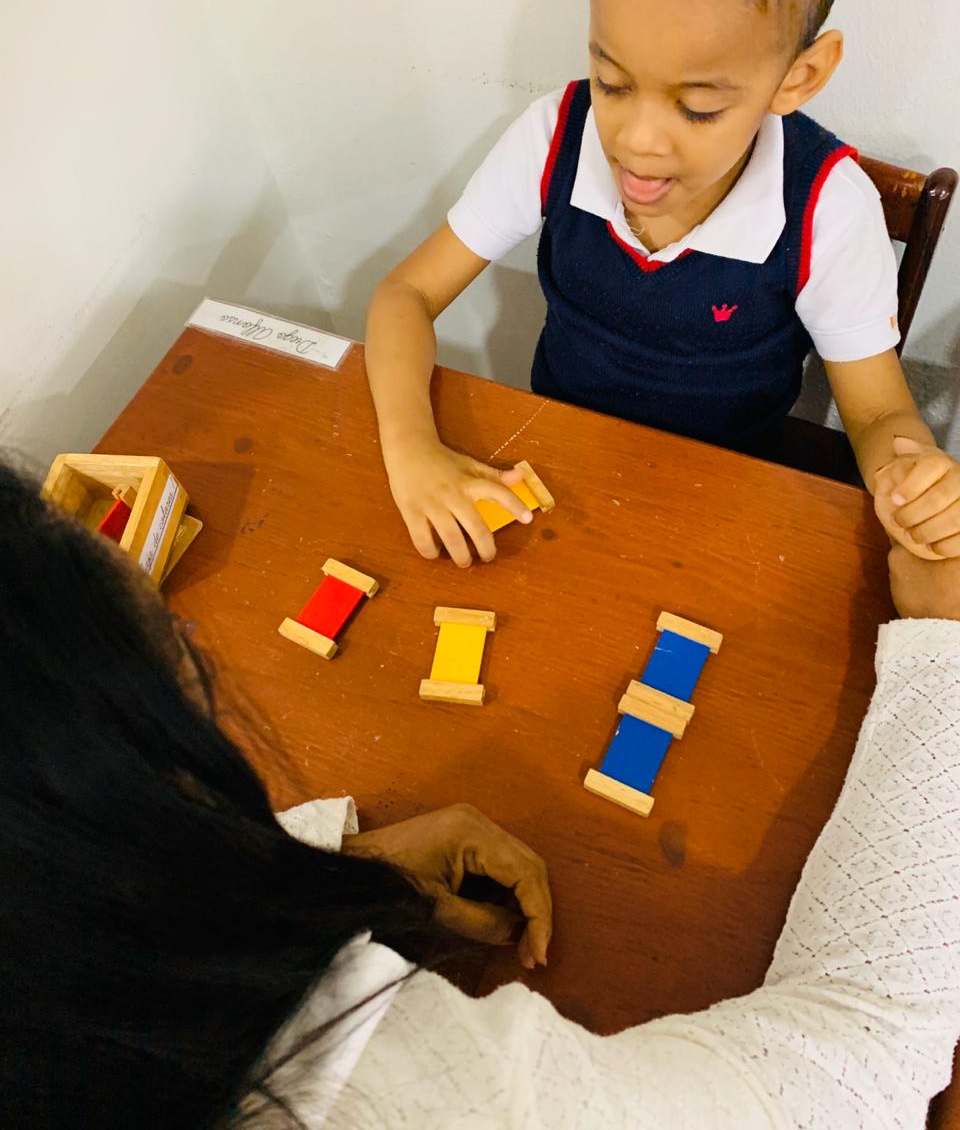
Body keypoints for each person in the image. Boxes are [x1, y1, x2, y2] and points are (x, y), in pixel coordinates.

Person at [4, 461, 960, 1129]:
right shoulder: (412, 1094)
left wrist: (332, 869)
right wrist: (944, 648)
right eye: (185, 675)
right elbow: (863, 1045)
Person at [365, 0, 960, 569]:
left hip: (724, 501)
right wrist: (412, 452)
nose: (637, 143)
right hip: (553, 471)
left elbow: (878, 413)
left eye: (698, 108)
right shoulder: (556, 136)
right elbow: (406, 293)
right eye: (612, 82)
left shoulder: (827, 207)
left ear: (799, 77)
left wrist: (907, 473)